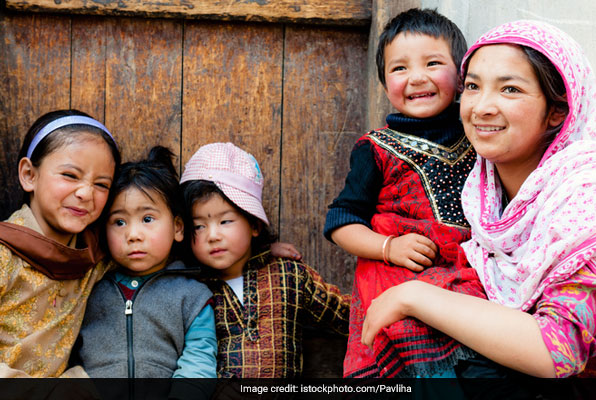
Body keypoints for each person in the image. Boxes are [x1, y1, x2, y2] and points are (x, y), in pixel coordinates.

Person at [362, 20, 596, 379]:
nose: (481, 107)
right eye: (472, 87)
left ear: (557, 111)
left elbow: (558, 351)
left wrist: (414, 296)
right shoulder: (480, 196)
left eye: (510, 89)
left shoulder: (588, 200)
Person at [323, 8, 486, 378]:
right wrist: (388, 247)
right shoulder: (376, 149)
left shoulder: (479, 138)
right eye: (399, 68)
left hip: (465, 278)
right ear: (384, 84)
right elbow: (341, 222)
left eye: (432, 63)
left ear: (463, 77)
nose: (416, 78)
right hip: (399, 277)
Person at [180, 142, 350, 378]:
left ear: (254, 224)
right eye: (198, 226)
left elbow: (347, 315)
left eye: (225, 221)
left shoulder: (288, 275)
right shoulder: (189, 289)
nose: (213, 236)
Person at [74, 146, 217, 391]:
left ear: (178, 228)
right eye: (119, 222)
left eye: (147, 219)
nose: (133, 235)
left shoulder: (192, 297)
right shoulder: (88, 287)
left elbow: (199, 360)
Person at [0, 109, 121, 377]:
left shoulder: (92, 257)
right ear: (29, 175)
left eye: (101, 184)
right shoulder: (4, 253)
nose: (85, 193)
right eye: (70, 175)